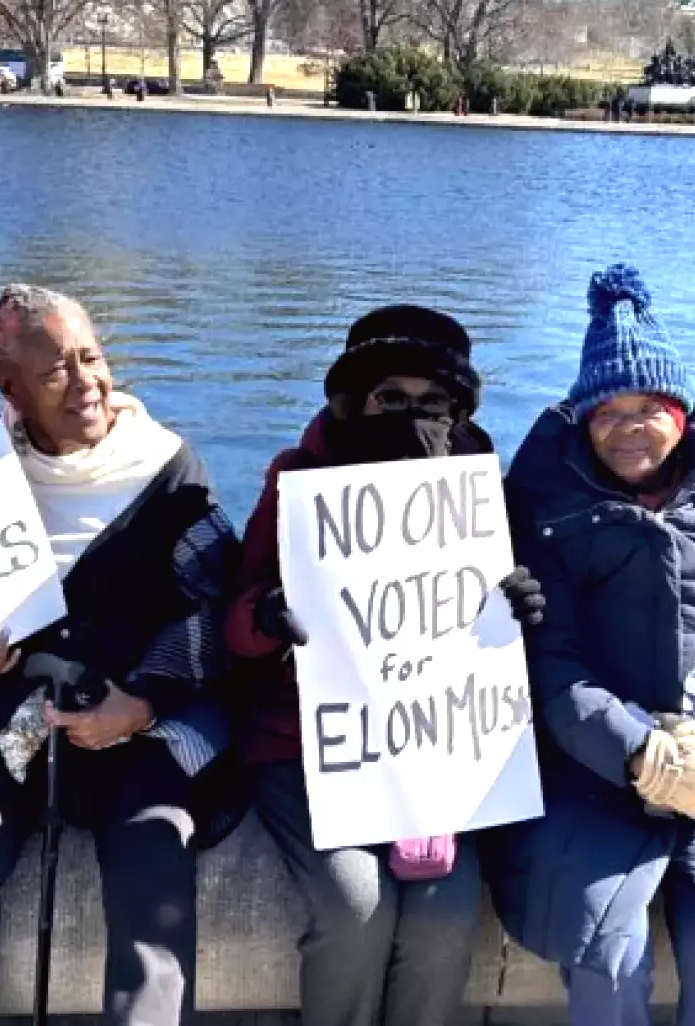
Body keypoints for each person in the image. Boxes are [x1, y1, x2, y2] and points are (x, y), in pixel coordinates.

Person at [0, 285, 237, 1026]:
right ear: (8, 388)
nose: (86, 384)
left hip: (139, 717)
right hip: (0, 718)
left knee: (153, 856)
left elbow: (212, 607)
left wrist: (142, 702)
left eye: (92, 358)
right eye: (55, 373)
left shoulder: (170, 467)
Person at [484, 265, 695, 1026]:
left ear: (682, 411)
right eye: (605, 413)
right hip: (594, 778)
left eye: (647, 407)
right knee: (606, 945)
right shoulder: (544, 510)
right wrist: (637, 753)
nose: (626, 428)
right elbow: (550, 663)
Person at [225, 305, 542, 1026]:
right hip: (309, 747)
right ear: (354, 402)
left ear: (457, 412)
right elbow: (234, 625)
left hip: (436, 749)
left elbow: (496, 642)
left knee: (446, 912)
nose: (411, 415)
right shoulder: (296, 479)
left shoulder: (481, 493)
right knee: (352, 907)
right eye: (390, 399)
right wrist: (268, 616)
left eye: (432, 403)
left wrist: (518, 607)